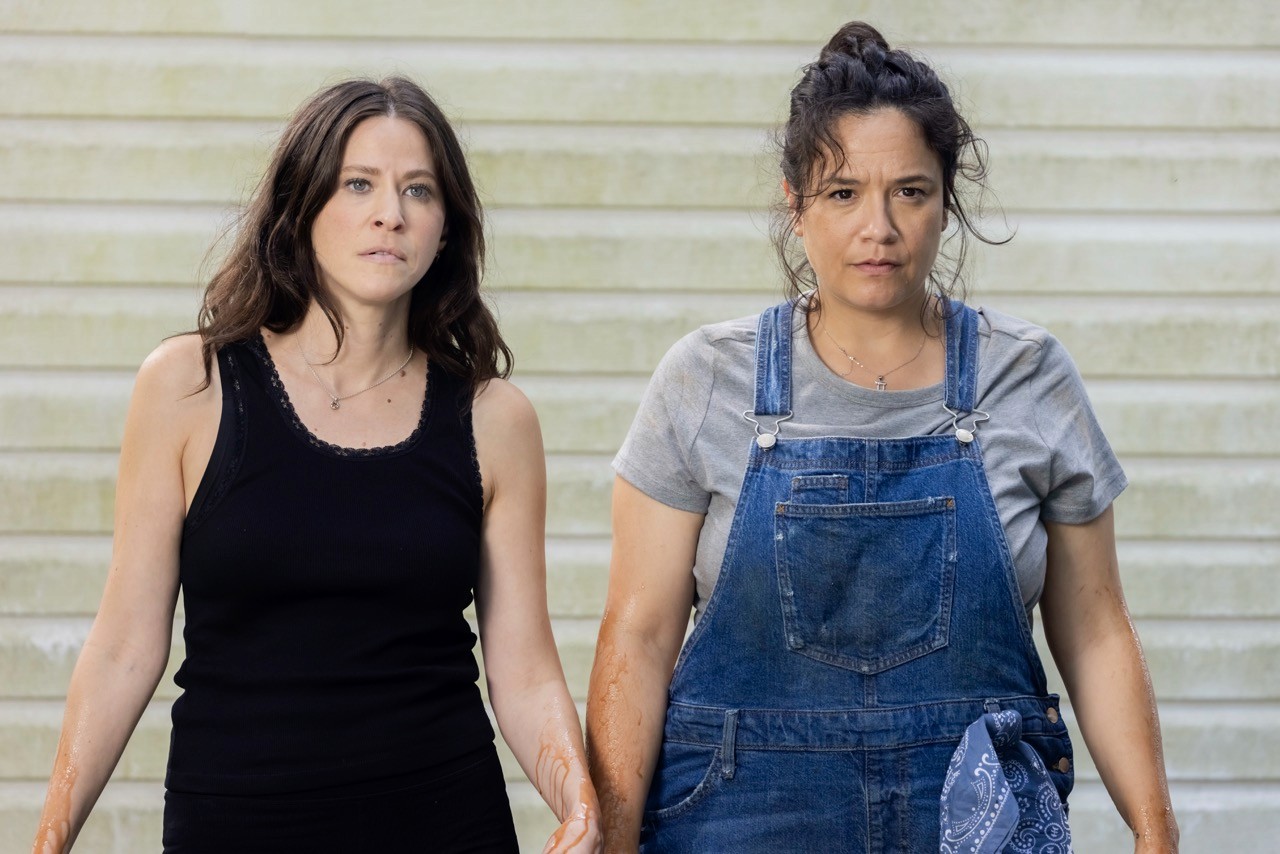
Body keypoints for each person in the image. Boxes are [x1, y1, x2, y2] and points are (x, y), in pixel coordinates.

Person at [586, 21, 1177, 854]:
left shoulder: (1031, 376)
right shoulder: (703, 380)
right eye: (842, 193)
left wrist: (1157, 834)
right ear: (794, 205)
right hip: (738, 821)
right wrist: (610, 839)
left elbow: (1095, 622)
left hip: (975, 819)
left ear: (946, 202)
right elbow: (638, 636)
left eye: (910, 190)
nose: (880, 228)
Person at [32, 77, 600, 853]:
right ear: (300, 209)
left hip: (443, 821)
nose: (389, 213)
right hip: (234, 825)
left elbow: (526, 668)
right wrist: (53, 831)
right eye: (357, 183)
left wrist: (578, 801)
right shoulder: (188, 387)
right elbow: (126, 646)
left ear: (446, 227)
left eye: (419, 190)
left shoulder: (495, 419)